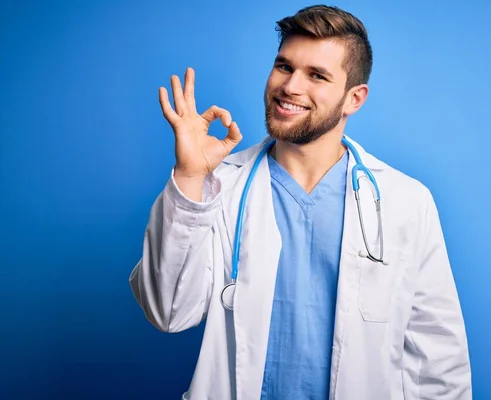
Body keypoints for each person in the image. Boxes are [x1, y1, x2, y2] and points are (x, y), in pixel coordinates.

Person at [129, 4, 471, 400]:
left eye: (317, 76)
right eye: (284, 66)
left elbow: (439, 361)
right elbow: (167, 312)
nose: (291, 86)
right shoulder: (217, 186)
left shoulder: (406, 202)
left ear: (354, 98)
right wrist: (189, 175)